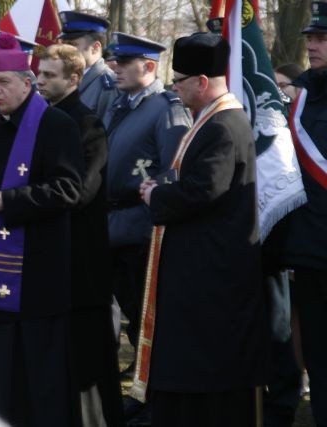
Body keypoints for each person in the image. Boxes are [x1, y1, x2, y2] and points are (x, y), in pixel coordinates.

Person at [0, 32, 83, 426]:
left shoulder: (56, 124)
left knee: (39, 367)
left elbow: (68, 188)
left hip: (39, 268)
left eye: (4, 82)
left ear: (27, 83)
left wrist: (7, 202)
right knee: (1, 363)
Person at [138, 32, 268, 426]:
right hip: (204, 262)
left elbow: (204, 190)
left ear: (202, 82)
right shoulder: (215, 119)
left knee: (206, 362)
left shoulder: (223, 125)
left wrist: (155, 197)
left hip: (213, 269)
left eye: (179, 81)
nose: (175, 90)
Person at [37, 43, 125, 427]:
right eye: (38, 74)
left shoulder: (86, 124)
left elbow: (83, 190)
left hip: (81, 255)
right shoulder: (43, 119)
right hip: (51, 253)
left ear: (74, 78)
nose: (40, 81)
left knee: (87, 353)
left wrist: (25, 196)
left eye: (49, 76)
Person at [105, 32, 190, 381]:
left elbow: (173, 170)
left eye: (124, 63)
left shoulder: (166, 108)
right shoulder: (121, 103)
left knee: (146, 318)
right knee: (130, 313)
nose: (115, 68)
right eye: (115, 61)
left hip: (141, 228)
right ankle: (143, 386)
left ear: (150, 66)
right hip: (115, 224)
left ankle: (153, 393)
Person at [284, 3, 327, 425]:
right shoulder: (304, 94)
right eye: (311, 38)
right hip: (309, 249)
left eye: (322, 39)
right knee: (316, 351)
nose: (312, 45)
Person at [57, 11, 120, 120]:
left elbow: (105, 133)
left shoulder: (107, 86)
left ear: (95, 48)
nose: (65, 50)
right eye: (64, 44)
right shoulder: (66, 78)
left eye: (72, 45)